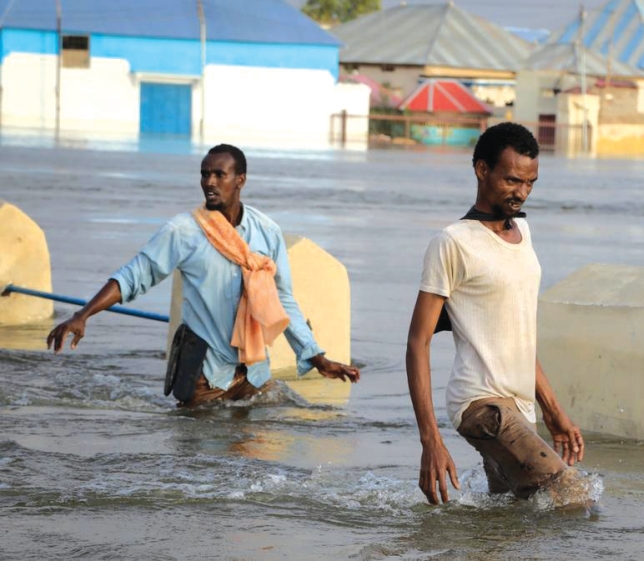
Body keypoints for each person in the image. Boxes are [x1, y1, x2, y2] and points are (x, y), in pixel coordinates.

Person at [46, 144, 359, 407]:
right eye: (204, 174)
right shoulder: (183, 232)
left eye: (219, 175)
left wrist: (316, 357)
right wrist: (83, 314)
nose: (209, 181)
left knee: (258, 462)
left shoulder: (267, 233)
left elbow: (283, 299)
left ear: (240, 180)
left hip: (253, 373)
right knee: (199, 466)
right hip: (203, 377)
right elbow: (134, 276)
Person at [405, 123, 584, 505]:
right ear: (482, 170)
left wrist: (552, 411)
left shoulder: (524, 233)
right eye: (512, 180)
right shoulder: (453, 243)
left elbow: (518, 337)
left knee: (509, 523)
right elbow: (417, 342)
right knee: (573, 498)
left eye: (531, 183)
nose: (522, 192)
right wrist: (430, 440)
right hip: (482, 406)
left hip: (519, 408)